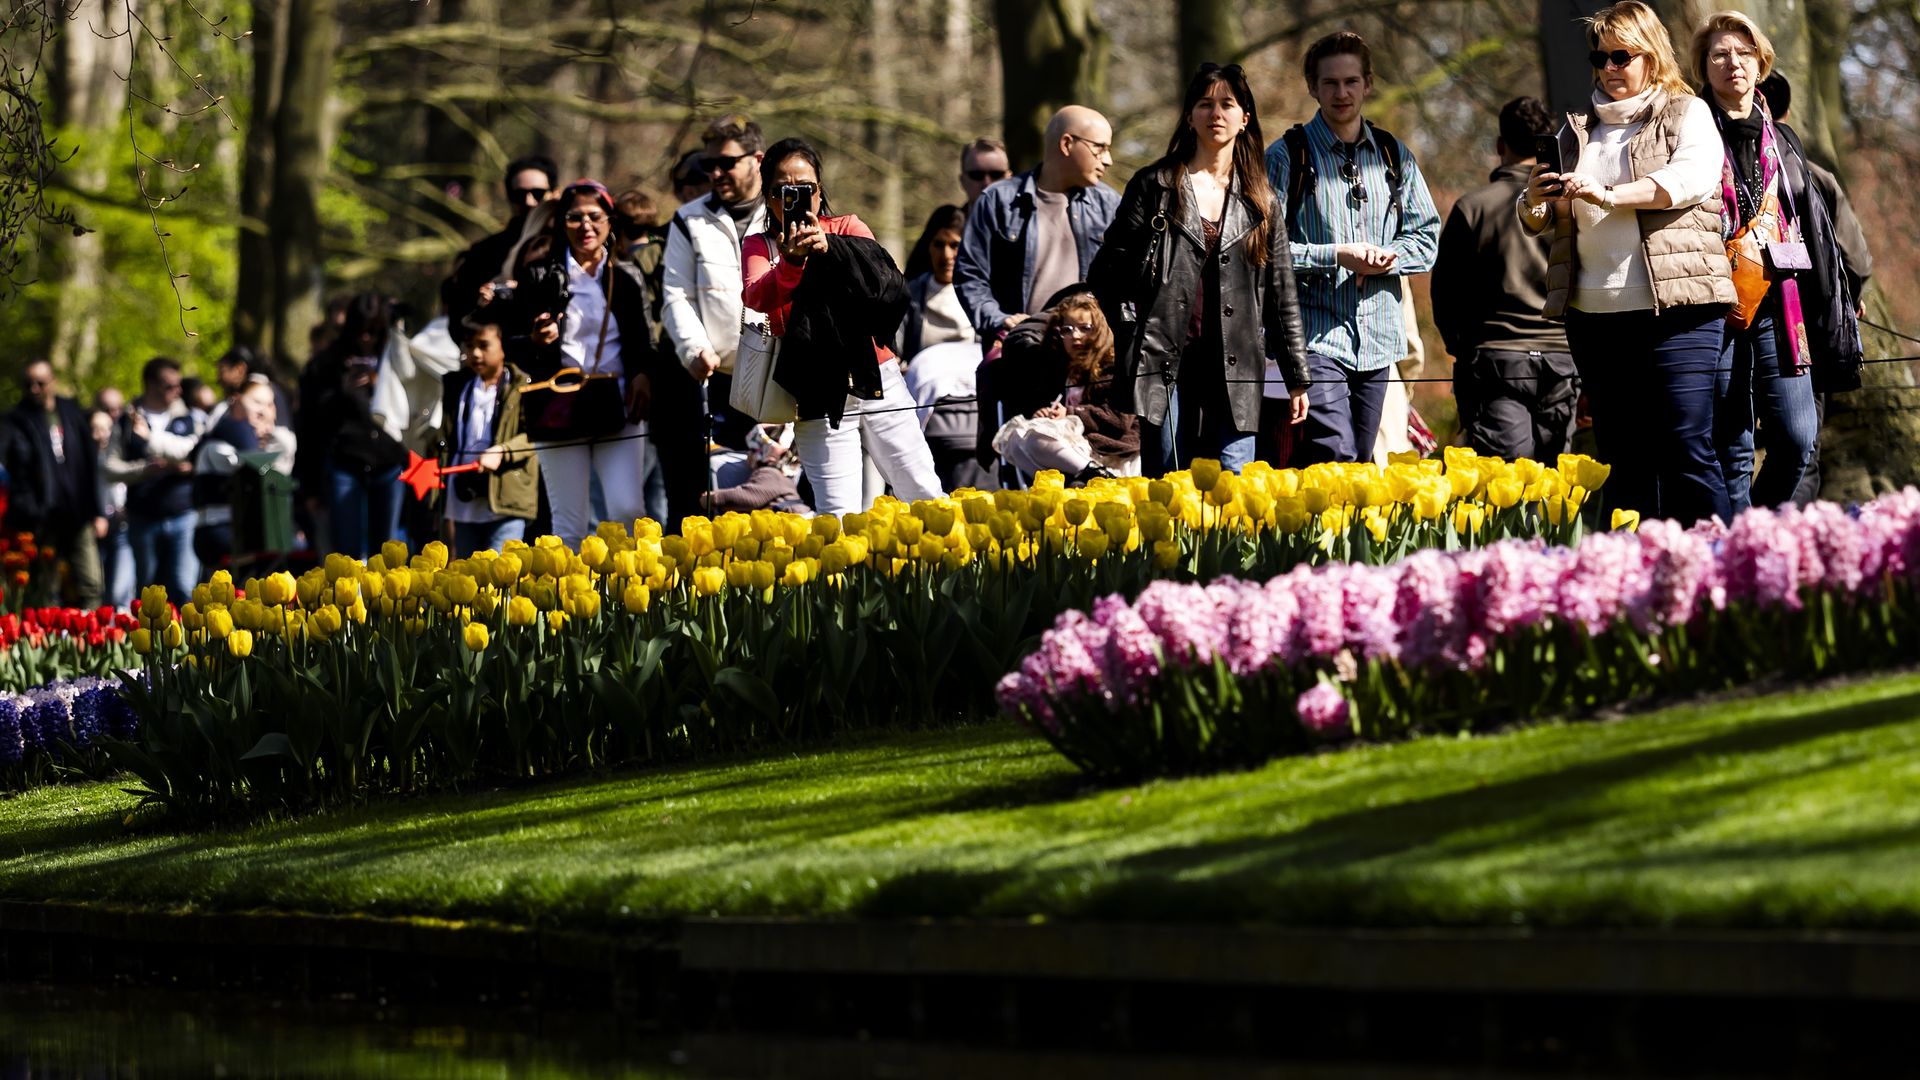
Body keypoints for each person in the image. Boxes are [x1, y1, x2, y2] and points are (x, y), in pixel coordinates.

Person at [1521, 1, 1735, 525]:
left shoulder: (1690, 113)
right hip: (1593, 315)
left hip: (1679, 310)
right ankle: (1635, 585)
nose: (1609, 68)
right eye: (1600, 58)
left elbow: (1689, 180)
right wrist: (1534, 199)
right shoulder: (1576, 129)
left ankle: (1722, 572)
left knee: (1687, 445)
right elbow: (1539, 221)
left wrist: (1609, 194)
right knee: (1623, 456)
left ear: (1653, 56)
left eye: (1622, 55)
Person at [1092, 62, 1310, 475]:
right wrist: (1132, 328)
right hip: (1164, 361)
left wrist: (1296, 375)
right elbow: (1105, 273)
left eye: (1227, 104)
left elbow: (1283, 294)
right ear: (1189, 116)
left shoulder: (1262, 199)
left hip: (1238, 364)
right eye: (1205, 104)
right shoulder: (1154, 185)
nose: (1216, 114)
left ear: (1244, 119)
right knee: (1168, 483)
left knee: (1234, 483)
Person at [1265, 31, 1442, 467]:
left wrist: (1387, 259)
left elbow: (1426, 236)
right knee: (1335, 454)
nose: (1341, 93)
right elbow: (1267, 249)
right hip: (1315, 339)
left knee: (1363, 463)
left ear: (1368, 84)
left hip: (1379, 341)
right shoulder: (1287, 156)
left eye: (1350, 82)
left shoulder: (1393, 155)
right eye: (1330, 83)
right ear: (1312, 87)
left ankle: (1340, 538)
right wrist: (1337, 255)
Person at [741, 137, 945, 515]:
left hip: (877, 375)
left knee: (923, 491)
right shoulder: (760, 245)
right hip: (815, 391)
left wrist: (831, 249)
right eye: (784, 190)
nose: (797, 197)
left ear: (820, 192)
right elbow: (757, 298)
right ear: (769, 197)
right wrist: (791, 264)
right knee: (837, 516)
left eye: (806, 188)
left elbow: (886, 287)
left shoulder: (848, 227)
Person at [501, 180, 655, 547]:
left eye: (594, 216)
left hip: (617, 405)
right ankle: (574, 602)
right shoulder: (539, 274)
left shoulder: (627, 277)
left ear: (609, 221)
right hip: (559, 404)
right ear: (561, 222)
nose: (585, 225)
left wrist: (643, 376)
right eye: (574, 217)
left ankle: (626, 597)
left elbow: (643, 338)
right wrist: (537, 341)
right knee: (569, 522)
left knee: (627, 510)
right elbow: (511, 344)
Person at [1434, 96, 1578, 461]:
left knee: (1507, 488)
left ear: (1501, 146)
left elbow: (1446, 293)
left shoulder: (1473, 207)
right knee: (1555, 489)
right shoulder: (1570, 207)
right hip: (1563, 358)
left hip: (1496, 360)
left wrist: (1462, 349)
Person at [1756, 72, 1873, 507]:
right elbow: (1855, 256)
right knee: (1803, 445)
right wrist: (1850, 296)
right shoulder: (1814, 176)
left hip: (1734, 327)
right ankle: (1791, 538)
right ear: (1785, 111)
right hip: (1803, 331)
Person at [659, 114, 771, 527]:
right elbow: (675, 295)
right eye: (709, 165)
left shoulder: (783, 212)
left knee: (780, 499)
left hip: (780, 378)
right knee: (720, 502)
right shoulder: (688, 219)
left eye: (726, 163)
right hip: (717, 381)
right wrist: (692, 347)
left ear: (757, 159)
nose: (716, 173)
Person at [954, 106, 1121, 352]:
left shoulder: (1110, 205)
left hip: (1090, 358)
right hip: (1020, 356)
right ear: (1066, 144)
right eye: (1100, 147)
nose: (1108, 159)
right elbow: (970, 274)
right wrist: (1000, 320)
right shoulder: (998, 200)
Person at [295, 293, 411, 559]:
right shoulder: (327, 363)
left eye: (373, 331)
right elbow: (308, 425)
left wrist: (381, 383)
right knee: (348, 555)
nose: (366, 338)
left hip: (389, 461)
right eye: (360, 330)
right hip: (344, 464)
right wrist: (309, 487)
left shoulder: (393, 357)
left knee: (388, 553)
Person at [990, 291, 1141, 482]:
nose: (1074, 336)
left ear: (1100, 330)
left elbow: (1118, 421)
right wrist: (1048, 415)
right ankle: (1078, 478)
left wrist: (1070, 413)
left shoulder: (1112, 367)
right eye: (1067, 330)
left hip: (1110, 450)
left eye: (1084, 328)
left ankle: (1099, 476)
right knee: (1014, 440)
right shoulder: (1066, 368)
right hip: (1081, 445)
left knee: (1037, 437)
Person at [2, 361, 105, 607]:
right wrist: (29, 508)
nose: (34, 389)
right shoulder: (16, 421)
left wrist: (98, 511)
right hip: (42, 517)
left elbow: (90, 465)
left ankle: (93, 640)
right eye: (28, 384)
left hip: (78, 513)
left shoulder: (71, 412)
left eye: (40, 383)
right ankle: (47, 639)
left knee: (91, 583)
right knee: (45, 588)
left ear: (53, 382)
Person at [439, 319, 538, 554]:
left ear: (503, 345)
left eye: (484, 346)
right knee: (467, 578)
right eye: (469, 346)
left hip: (506, 498)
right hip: (464, 501)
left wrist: (504, 451)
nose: (475, 353)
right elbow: (444, 438)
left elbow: (535, 436)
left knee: (501, 570)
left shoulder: (524, 385)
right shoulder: (457, 386)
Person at [112, 357, 202, 600]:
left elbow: (195, 453)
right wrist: (144, 470)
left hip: (183, 513)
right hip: (143, 517)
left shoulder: (188, 418)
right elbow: (108, 467)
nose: (178, 391)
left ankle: (188, 637)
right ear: (150, 385)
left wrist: (156, 444)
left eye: (179, 385)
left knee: (184, 586)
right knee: (149, 591)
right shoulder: (127, 422)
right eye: (170, 386)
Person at [444, 155, 561, 330]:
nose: (528, 201)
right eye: (519, 194)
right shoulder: (484, 254)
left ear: (555, 193)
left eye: (538, 193)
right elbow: (459, 318)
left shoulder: (571, 245)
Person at [191, 378, 296, 568]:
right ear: (236, 401)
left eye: (269, 404)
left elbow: (280, 475)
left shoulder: (275, 442)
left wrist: (272, 438)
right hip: (220, 533)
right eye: (256, 402)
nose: (263, 411)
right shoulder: (216, 442)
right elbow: (251, 467)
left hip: (259, 536)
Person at [898, 206, 976, 361]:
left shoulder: (981, 296)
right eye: (939, 245)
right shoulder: (910, 295)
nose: (946, 256)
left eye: (955, 245)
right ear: (928, 246)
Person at [700, 424, 808, 515]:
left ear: (765, 453)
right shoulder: (783, 478)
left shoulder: (770, 473)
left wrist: (713, 498)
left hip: (793, 519)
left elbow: (748, 496)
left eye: (752, 450)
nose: (747, 455)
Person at [89, 407, 133, 607]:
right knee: (98, 585)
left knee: (120, 589)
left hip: (122, 523)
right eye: (95, 429)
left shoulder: (120, 455)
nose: (102, 434)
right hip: (95, 527)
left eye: (107, 428)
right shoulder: (83, 460)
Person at [958, 137, 1011, 210]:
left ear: (1010, 179)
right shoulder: (944, 221)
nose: (987, 184)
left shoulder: (1027, 220)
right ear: (963, 181)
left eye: (996, 175)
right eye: (977, 175)